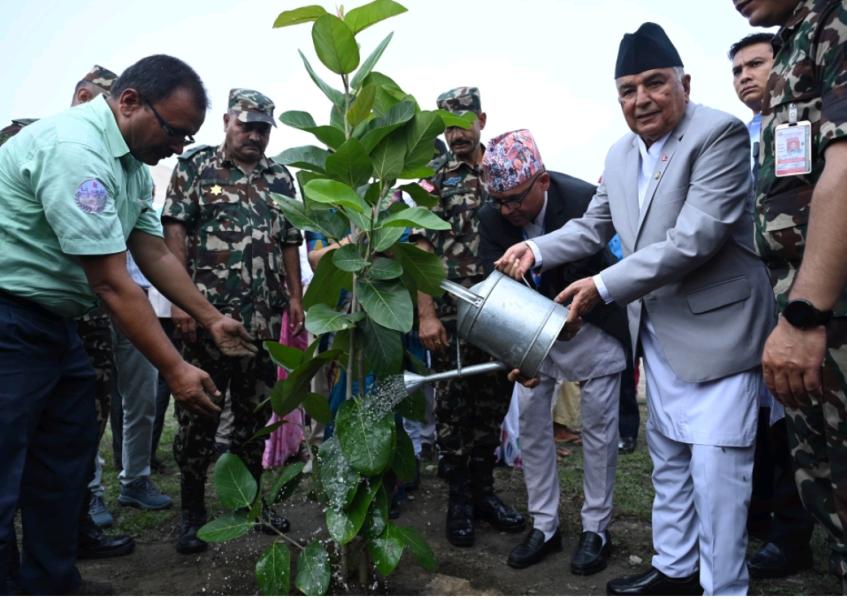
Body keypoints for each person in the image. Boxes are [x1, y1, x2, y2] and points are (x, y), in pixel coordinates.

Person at [496, 23, 775, 595]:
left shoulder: (718, 136)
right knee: (668, 463)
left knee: (717, 479)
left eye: (654, 83)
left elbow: (694, 239)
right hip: (659, 338)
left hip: (719, 337)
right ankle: (675, 570)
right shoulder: (620, 154)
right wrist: (536, 247)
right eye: (627, 89)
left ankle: (724, 587)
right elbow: (593, 225)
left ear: (684, 82)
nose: (641, 99)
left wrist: (602, 285)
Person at [0, 54, 256, 596]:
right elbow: (112, 283)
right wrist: (175, 367)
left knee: (61, 465)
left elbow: (153, 251)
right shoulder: (77, 152)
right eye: (175, 132)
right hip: (9, 320)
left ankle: (50, 582)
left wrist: (211, 318)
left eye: (189, 138)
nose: (180, 147)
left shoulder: (131, 166)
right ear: (131, 101)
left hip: (55, 324)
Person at [733, 0, 847, 590]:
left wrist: (804, 314)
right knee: (823, 485)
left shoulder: (836, 19)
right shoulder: (798, 35)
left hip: (826, 312)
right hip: (813, 311)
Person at [479, 129, 630, 573]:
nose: (508, 210)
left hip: (592, 322)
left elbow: (602, 267)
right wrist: (515, 355)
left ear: (542, 181)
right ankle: (545, 524)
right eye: (500, 201)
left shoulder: (584, 199)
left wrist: (577, 314)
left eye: (515, 200)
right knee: (532, 427)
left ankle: (596, 528)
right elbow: (496, 294)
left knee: (599, 429)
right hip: (529, 329)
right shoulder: (493, 218)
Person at [162, 88, 304, 555]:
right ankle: (193, 512)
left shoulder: (281, 178)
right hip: (208, 320)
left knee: (255, 416)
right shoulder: (196, 168)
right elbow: (175, 231)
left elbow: (289, 241)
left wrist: (296, 299)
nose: (255, 135)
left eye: (263, 128)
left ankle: (254, 505)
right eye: (247, 125)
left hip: (263, 323)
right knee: (199, 416)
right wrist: (181, 303)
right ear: (226, 120)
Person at [413, 86, 525, 548]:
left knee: (491, 406)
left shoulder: (504, 167)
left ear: (481, 118)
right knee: (453, 411)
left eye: (463, 123)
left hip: (503, 313)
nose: (456, 134)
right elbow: (419, 248)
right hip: (451, 319)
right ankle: (458, 500)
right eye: (447, 127)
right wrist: (425, 315)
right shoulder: (432, 181)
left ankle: (484, 493)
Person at [729, 30, 815, 579]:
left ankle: (792, 532)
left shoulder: (806, 122)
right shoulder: (740, 138)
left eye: (755, 64)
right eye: (737, 70)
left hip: (806, 294)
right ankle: (762, 514)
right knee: (763, 411)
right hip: (752, 297)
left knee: (797, 415)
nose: (745, 77)